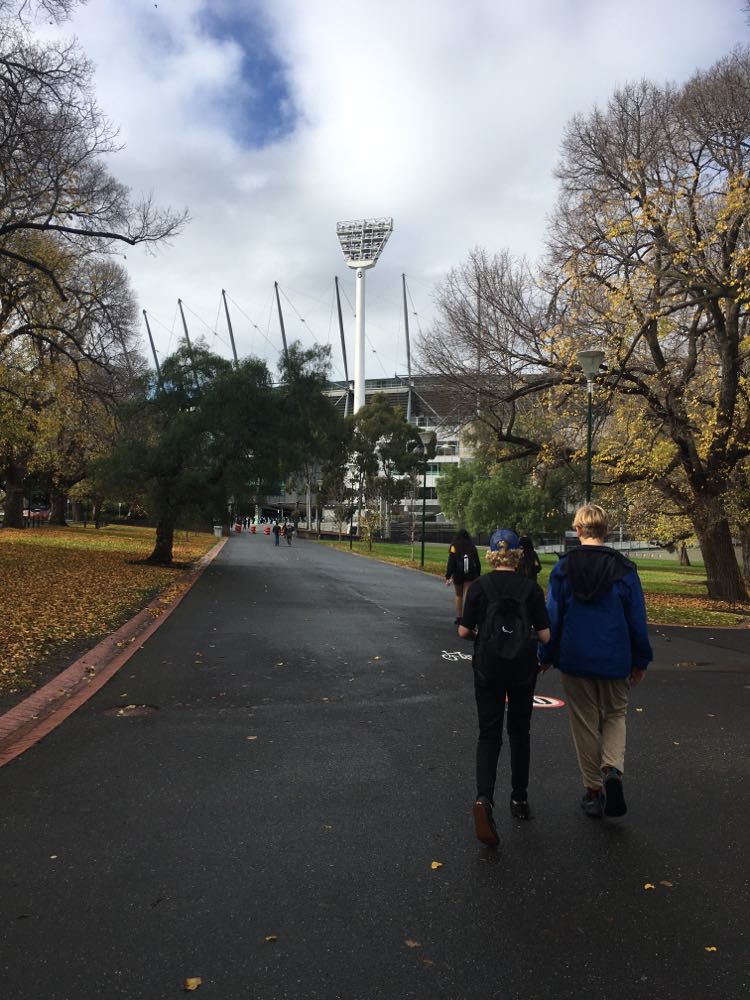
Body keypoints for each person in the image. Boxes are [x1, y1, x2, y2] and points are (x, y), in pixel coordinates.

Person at [539, 503, 652, 819]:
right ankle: (612, 768)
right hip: (615, 655)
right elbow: (637, 620)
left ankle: (593, 790)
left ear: (578, 529)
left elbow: (553, 617)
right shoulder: (625, 570)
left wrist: (545, 655)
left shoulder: (564, 569)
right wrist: (640, 660)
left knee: (584, 723)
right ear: (606, 530)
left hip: (575, 655)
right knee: (615, 714)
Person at [458, 529, 551, 847]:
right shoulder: (531, 589)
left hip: (488, 668)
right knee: (520, 732)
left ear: (491, 554)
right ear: (517, 554)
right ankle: (519, 799)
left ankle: (484, 798)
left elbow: (463, 631)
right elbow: (545, 635)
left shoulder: (480, 587)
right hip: (522, 669)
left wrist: (483, 637)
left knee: (489, 734)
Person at [445, 529, 482, 624]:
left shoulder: (454, 546)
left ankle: (459, 617)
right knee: (467, 596)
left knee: (458, 595)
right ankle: (467, 618)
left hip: (458, 574)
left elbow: (451, 562)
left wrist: (448, 575)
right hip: (470, 574)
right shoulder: (472, 546)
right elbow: (477, 562)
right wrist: (478, 574)